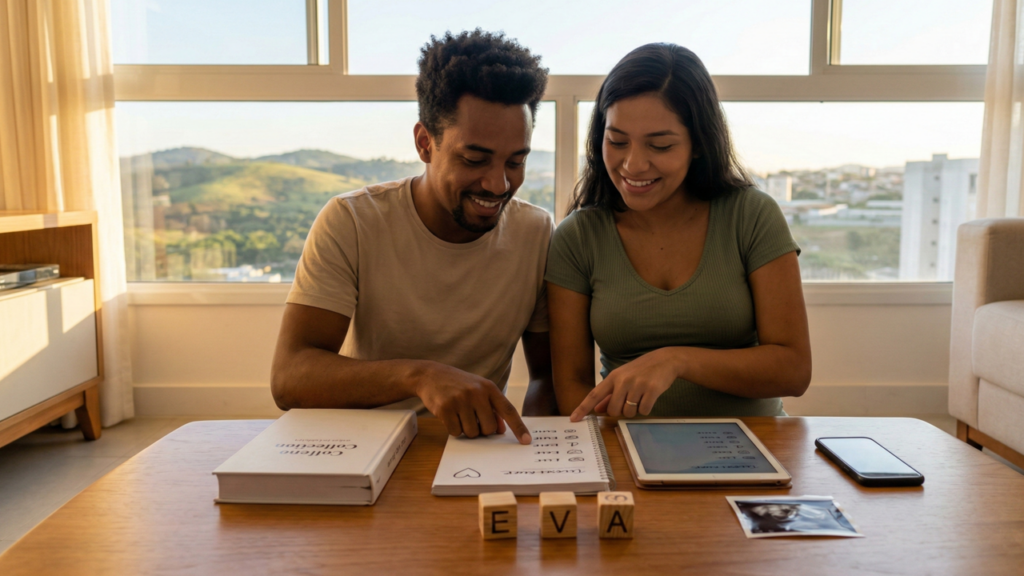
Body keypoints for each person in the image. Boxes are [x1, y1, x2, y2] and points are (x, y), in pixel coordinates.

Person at [271, 30, 557, 444]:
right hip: (367, 444)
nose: (498, 184)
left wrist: (530, 454)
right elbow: (289, 378)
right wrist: (419, 376)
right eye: (474, 159)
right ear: (425, 143)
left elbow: (546, 377)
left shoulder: (536, 232)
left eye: (515, 161)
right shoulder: (351, 220)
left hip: (479, 448)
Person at [546, 43, 811, 421]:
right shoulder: (578, 237)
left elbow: (794, 370)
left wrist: (677, 361)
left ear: (699, 144)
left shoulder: (751, 215)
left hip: (755, 445)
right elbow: (573, 388)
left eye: (660, 144)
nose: (633, 164)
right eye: (617, 141)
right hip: (629, 448)